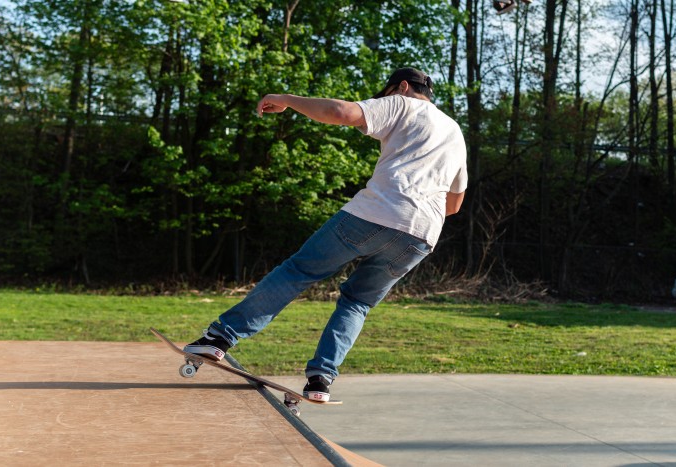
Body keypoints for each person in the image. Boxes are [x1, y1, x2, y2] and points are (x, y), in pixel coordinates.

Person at [183, 67, 468, 402]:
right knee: (358, 302)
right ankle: (320, 379)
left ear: (402, 86)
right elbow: (454, 204)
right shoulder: (454, 131)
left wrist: (286, 99)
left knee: (299, 271)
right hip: (421, 235)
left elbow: (341, 113)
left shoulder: (402, 104)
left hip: (375, 214)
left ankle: (219, 339)